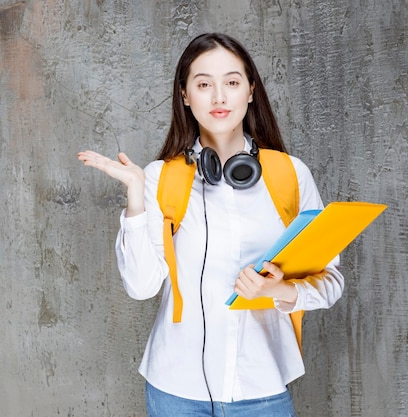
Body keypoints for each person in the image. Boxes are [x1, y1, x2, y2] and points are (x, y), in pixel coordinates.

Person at [78, 33, 344, 417]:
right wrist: (136, 195)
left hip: (261, 388)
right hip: (175, 391)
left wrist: (281, 290)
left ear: (251, 91)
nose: (219, 98)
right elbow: (140, 287)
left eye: (232, 83)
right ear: (185, 95)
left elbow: (331, 282)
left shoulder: (291, 175)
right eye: (203, 84)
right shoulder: (160, 178)